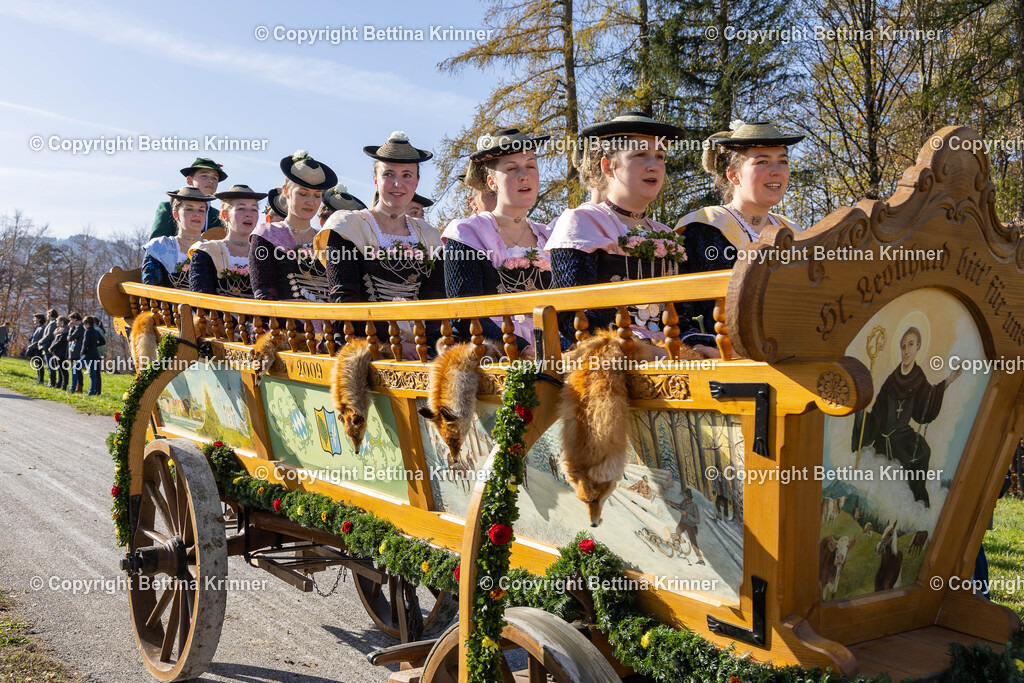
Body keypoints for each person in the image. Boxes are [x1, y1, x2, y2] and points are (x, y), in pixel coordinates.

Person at [546, 112, 709, 352]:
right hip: (607, 355)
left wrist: (697, 343)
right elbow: (571, 315)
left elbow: (682, 319)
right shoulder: (582, 222)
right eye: (640, 155)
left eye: (660, 157)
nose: (654, 166)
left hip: (669, 351)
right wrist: (640, 348)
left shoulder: (666, 234)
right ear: (608, 166)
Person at [675, 121, 805, 336]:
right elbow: (682, 314)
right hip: (726, 350)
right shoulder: (706, 228)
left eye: (783, 161)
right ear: (733, 175)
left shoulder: (793, 230)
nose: (776, 171)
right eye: (762, 162)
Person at [317, 132, 445, 348]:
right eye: (388, 174)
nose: (398, 184)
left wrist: (427, 344)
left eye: (407, 175)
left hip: (419, 343)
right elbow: (345, 299)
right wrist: (395, 342)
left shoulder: (428, 234)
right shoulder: (348, 226)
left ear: (417, 182)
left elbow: (436, 299)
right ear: (375, 180)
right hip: (363, 340)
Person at [441, 128, 552, 352]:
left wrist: (562, 348)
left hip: (553, 348)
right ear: (492, 182)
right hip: (494, 352)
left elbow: (569, 310)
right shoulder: (467, 233)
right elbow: (464, 314)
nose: (524, 175)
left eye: (531, 166)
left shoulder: (550, 236)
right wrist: (520, 348)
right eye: (511, 168)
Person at [852, 327, 961, 507]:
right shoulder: (891, 380)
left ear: (918, 346)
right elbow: (877, 413)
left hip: (904, 436)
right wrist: (861, 413)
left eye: (910, 344)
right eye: (903, 346)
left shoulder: (918, 378)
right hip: (885, 437)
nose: (906, 350)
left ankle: (917, 503)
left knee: (923, 451)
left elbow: (927, 401)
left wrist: (947, 382)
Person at [250, 150, 337, 301]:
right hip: (284, 315)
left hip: (328, 315)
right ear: (286, 191)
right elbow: (264, 293)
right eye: (303, 193)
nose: (311, 202)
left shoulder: (328, 238)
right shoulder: (267, 234)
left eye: (317, 195)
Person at [189, 184, 267, 297]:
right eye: (241, 209)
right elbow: (201, 299)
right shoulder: (207, 252)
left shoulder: (265, 253)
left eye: (254, 210)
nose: (249, 214)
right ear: (225, 214)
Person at [142, 187, 216, 288]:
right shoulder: (159, 247)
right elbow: (152, 290)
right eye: (189, 209)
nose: (197, 214)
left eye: (201, 210)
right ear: (176, 214)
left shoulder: (215, 250)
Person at [150, 158, 226, 239]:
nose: (211, 181)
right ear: (189, 180)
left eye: (215, 178)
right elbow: (156, 244)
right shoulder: (168, 208)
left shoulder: (219, 216)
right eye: (204, 176)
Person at [672, 488, 705, 565]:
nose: (684, 496)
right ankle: (677, 549)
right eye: (684, 495)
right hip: (683, 523)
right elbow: (678, 506)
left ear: (689, 496)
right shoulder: (684, 502)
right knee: (677, 531)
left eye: (685, 495)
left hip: (690, 526)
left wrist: (687, 514)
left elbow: (697, 520)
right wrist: (670, 503)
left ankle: (700, 560)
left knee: (693, 543)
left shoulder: (694, 505)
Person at [82, 316, 105, 396]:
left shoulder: (92, 330)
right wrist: (95, 345)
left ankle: (95, 390)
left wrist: (84, 351)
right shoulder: (97, 330)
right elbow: (102, 341)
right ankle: (94, 391)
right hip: (96, 354)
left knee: (94, 373)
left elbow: (86, 343)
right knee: (95, 373)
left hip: (91, 354)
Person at [38, 309, 59, 387]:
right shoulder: (51, 323)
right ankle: (51, 382)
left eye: (47, 315)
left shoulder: (53, 323)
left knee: (50, 364)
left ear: (50, 315)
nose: (46, 316)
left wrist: (41, 341)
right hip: (48, 345)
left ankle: (52, 382)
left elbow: (49, 335)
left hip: (48, 345)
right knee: (49, 364)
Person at [48, 316, 70, 390]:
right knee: (59, 368)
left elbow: (60, 341)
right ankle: (59, 383)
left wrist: (52, 347)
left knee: (63, 369)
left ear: (62, 322)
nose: (56, 322)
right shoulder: (58, 330)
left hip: (61, 352)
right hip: (56, 351)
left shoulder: (65, 330)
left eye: (57, 321)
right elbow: (55, 340)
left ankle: (64, 385)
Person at [25, 313, 46, 384]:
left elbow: (40, 339)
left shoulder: (42, 328)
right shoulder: (37, 327)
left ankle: (41, 380)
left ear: (39, 319)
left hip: (38, 348)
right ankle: (39, 379)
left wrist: (33, 345)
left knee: (39, 364)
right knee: (37, 364)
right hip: (34, 347)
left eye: (35, 318)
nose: (33, 319)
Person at [66, 312, 84, 393]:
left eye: (71, 319)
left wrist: (70, 329)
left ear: (76, 319)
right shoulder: (76, 328)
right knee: (76, 370)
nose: (70, 321)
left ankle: (78, 387)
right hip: (73, 351)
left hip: (77, 352)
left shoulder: (79, 328)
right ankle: (77, 386)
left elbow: (70, 338)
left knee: (76, 370)